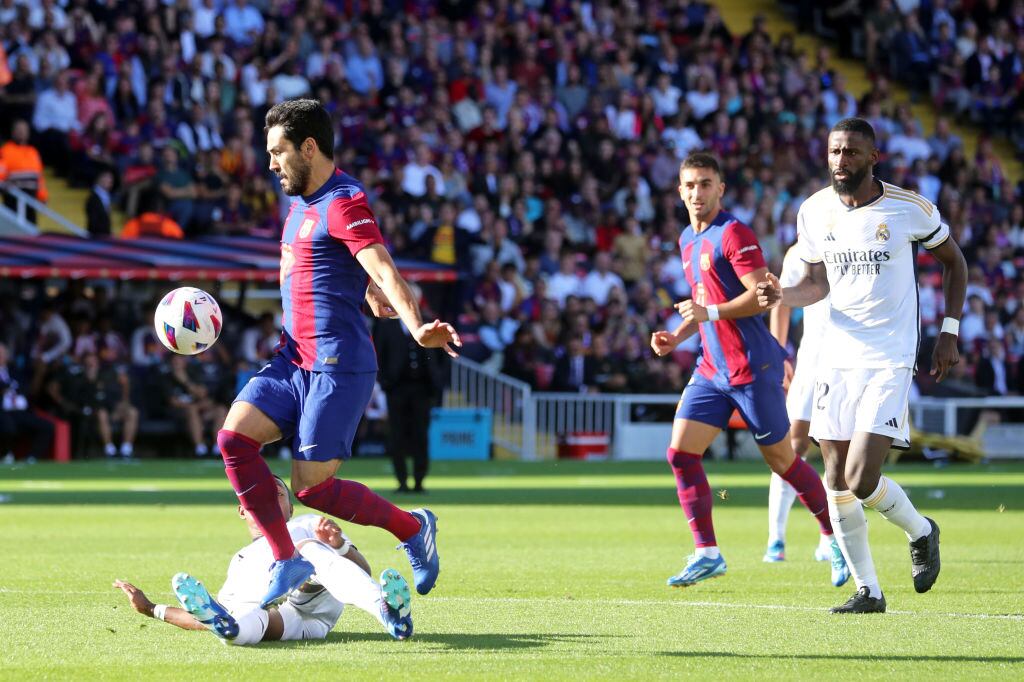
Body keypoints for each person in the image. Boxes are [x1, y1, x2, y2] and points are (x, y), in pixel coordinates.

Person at [218, 99, 460, 608]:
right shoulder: (300, 201)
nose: (270, 164)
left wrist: (415, 327)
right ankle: (287, 559)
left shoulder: (343, 201)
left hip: (337, 362)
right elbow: (346, 268)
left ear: (309, 147)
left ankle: (413, 527)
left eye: (277, 152)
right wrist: (364, 288)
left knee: (311, 489)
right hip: (293, 357)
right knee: (233, 440)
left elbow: (385, 268)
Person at [757, 118, 968, 614]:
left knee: (860, 476)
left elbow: (954, 262)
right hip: (835, 355)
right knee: (833, 476)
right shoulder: (813, 212)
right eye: (834, 151)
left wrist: (949, 330)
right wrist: (781, 294)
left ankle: (921, 530)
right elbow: (816, 286)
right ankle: (868, 590)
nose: (840, 160)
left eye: (851, 152)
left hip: (889, 356)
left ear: (873, 158)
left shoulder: (907, 207)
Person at [650, 152, 848, 589]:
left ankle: (835, 539)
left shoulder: (733, 232)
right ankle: (707, 552)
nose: (697, 192)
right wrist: (676, 337)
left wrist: (709, 314)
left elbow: (763, 295)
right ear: (679, 191)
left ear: (720, 188)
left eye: (705, 184)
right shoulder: (687, 239)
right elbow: (703, 302)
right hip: (711, 369)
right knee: (680, 454)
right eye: (689, 185)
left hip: (753, 368)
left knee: (783, 461)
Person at [113, 476, 413, 644]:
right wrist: (152, 609)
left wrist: (339, 546)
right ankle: (234, 632)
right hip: (287, 622)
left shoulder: (308, 524)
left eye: (278, 494)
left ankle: (386, 611)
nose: (268, 498)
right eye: (258, 494)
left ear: (291, 509)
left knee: (307, 548)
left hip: (317, 599)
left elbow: (363, 571)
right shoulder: (240, 561)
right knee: (238, 615)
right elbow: (202, 620)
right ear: (242, 510)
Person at [762, 244, 835, 564]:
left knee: (840, 452)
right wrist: (778, 352)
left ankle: (829, 537)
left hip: (851, 362)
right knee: (790, 448)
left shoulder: (860, 238)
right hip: (811, 361)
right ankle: (776, 539)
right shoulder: (801, 250)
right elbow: (780, 300)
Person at [374, 286, 448, 493]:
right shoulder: (386, 326)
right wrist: (385, 380)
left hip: (423, 390)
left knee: (421, 436)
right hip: (396, 389)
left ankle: (419, 480)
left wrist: (438, 378)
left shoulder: (430, 322)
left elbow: (441, 355)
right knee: (397, 436)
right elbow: (379, 353)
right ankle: (402, 481)